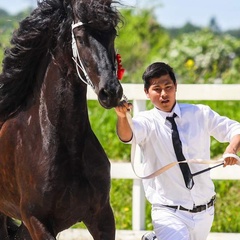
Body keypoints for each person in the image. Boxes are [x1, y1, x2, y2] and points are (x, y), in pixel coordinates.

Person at [114, 62, 240, 240]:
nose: (164, 94)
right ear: (146, 93)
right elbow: (127, 135)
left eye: (168, 87)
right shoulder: (145, 121)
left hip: (205, 211)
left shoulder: (200, 113)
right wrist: (122, 118)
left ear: (176, 87)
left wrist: (231, 149)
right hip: (168, 212)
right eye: (157, 89)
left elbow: (236, 130)